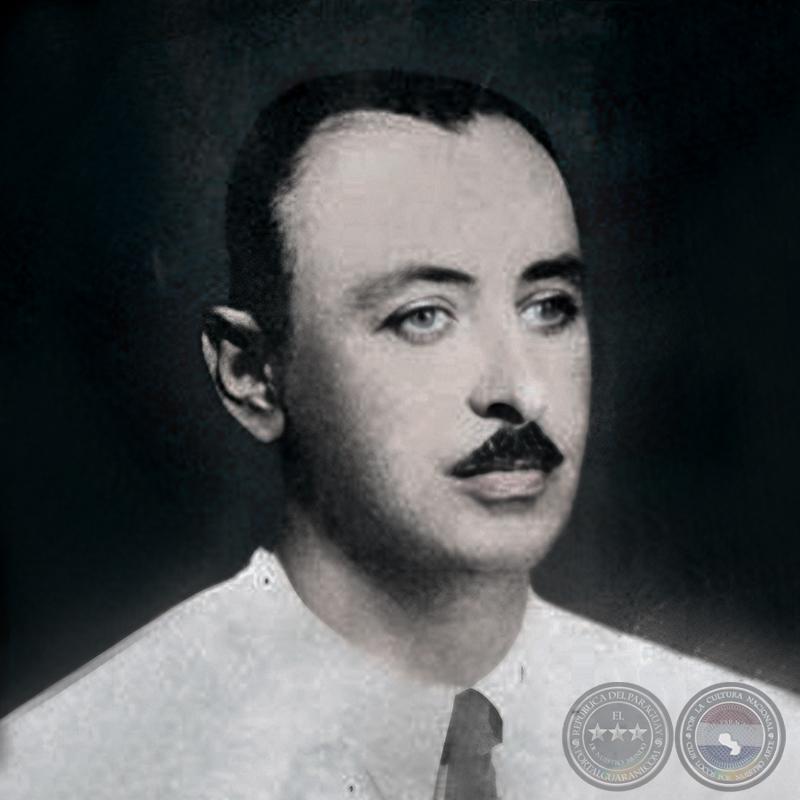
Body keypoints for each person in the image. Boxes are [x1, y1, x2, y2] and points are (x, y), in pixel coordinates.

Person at [1, 70, 797, 799]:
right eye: (423, 318)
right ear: (251, 373)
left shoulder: (753, 759)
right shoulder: (66, 771)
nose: (518, 390)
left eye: (548, 306)